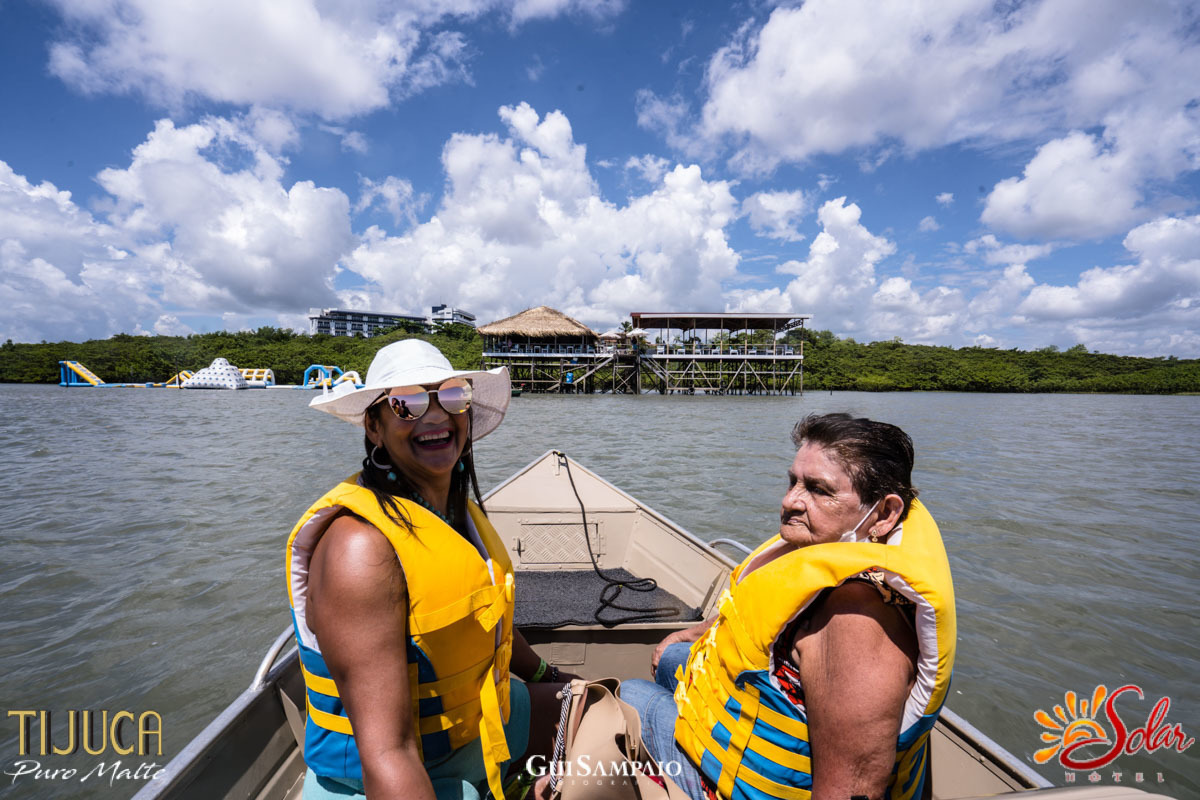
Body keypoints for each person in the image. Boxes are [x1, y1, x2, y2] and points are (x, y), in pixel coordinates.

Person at [285, 339, 567, 800]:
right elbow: (388, 753)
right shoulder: (360, 550)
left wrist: (547, 677)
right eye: (408, 403)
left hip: (476, 722)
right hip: (394, 767)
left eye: (452, 395)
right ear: (374, 427)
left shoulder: (453, 514)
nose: (435, 416)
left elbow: (483, 620)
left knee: (605, 712)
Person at [622, 413, 956, 800]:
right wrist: (694, 632)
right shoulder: (825, 551)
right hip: (760, 727)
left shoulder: (857, 622)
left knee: (631, 695)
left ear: (883, 514)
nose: (789, 501)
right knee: (673, 658)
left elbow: (851, 791)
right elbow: (754, 610)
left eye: (818, 490)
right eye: (793, 481)